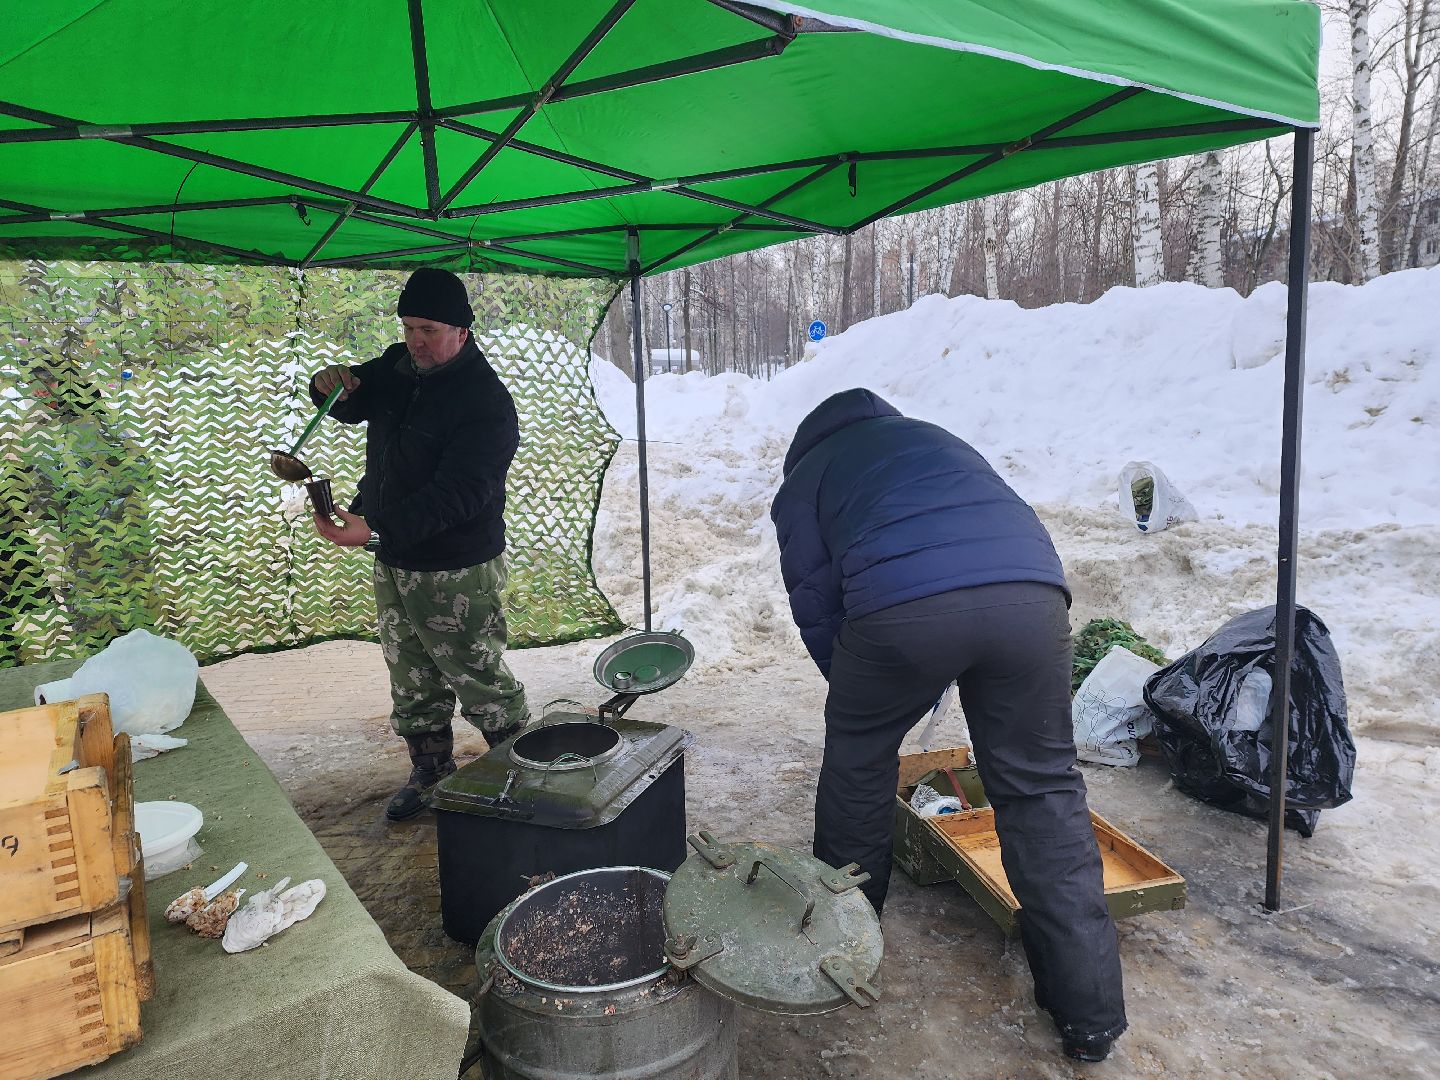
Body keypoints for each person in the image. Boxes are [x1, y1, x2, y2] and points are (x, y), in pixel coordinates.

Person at [770, 387, 1126, 1063]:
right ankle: (1091, 1015)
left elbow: (817, 606)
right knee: (1043, 787)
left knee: (858, 761)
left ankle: (845, 941)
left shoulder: (808, 478)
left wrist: (860, 700)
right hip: (1033, 597)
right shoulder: (934, 438)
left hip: (904, 606)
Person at [309, 268, 529, 821]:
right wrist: (326, 383)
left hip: (457, 566)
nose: (416, 341)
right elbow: (348, 403)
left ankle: (521, 776)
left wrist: (375, 529)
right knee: (410, 675)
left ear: (462, 330)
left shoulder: (485, 403)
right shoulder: (396, 366)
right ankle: (430, 770)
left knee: (478, 676)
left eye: (428, 329)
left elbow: (458, 496)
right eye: (408, 327)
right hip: (394, 557)